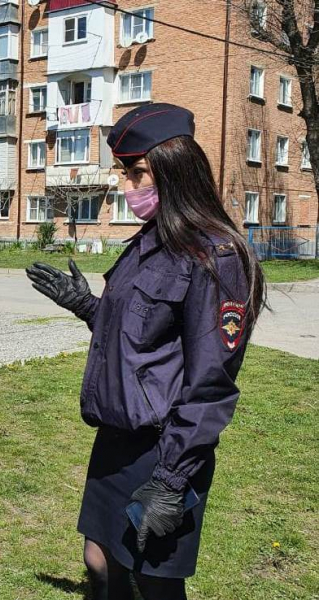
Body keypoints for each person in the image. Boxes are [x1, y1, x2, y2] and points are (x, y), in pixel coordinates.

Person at [26, 103, 266, 600]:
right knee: (100, 557)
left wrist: (172, 479)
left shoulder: (214, 256)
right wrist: (86, 306)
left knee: (156, 580)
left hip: (165, 448)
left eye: (137, 174)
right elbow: (139, 335)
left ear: (176, 170)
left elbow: (210, 385)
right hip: (117, 438)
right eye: (125, 173)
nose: (128, 186)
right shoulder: (148, 242)